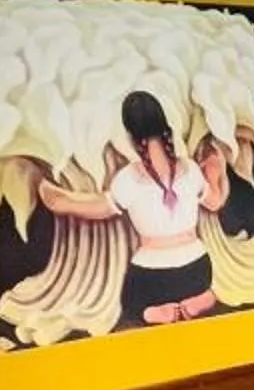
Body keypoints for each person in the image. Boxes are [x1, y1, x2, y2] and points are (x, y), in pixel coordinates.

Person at [36, 87, 231, 324]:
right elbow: (216, 202)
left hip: (153, 277)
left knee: (131, 303)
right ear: (165, 127)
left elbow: (95, 208)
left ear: (130, 136)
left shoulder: (128, 179)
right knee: (194, 284)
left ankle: (158, 311)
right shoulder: (190, 169)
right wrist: (215, 169)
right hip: (198, 270)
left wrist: (59, 199)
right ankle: (201, 299)